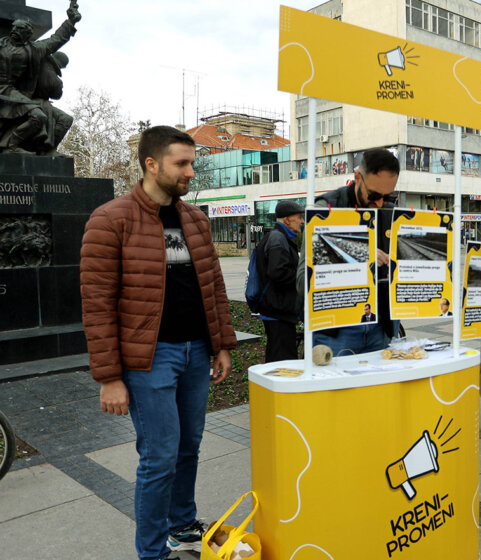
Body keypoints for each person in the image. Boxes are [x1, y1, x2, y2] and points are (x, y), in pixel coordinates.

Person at [80, 126, 236, 560]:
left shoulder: (196, 220)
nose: (190, 171)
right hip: (150, 359)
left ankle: (183, 527)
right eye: (181, 163)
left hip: (195, 352)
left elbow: (214, 287)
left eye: (192, 162)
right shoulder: (111, 219)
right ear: (151, 164)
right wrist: (109, 377)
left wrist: (221, 343)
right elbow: (96, 304)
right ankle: (152, 553)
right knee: (159, 457)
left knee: (189, 446)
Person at [300, 148, 400, 357]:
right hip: (335, 332)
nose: (380, 203)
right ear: (357, 177)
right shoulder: (326, 209)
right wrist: (362, 256)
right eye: (374, 195)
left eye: (388, 196)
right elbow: (303, 282)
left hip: (380, 328)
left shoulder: (391, 213)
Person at [0, 2, 79, 153]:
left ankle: (11, 146)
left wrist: (71, 21)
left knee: (38, 117)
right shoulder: (1, 45)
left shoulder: (35, 49)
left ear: (28, 34)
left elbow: (56, 39)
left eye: (20, 29)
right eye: (14, 27)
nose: (15, 30)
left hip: (13, 92)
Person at [255, 200, 304, 362]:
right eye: (299, 217)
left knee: (277, 356)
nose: (302, 221)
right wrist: (303, 276)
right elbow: (277, 273)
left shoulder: (278, 237)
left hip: (276, 310)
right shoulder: (278, 239)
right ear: (287, 219)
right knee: (283, 362)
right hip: (277, 311)